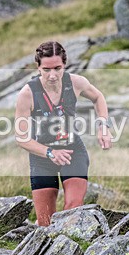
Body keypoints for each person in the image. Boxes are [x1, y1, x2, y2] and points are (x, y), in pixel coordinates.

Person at [14, 41, 113, 226]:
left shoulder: (75, 82)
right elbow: (22, 138)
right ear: (38, 68)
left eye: (57, 68)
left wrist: (103, 126)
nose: (52, 75)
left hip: (72, 152)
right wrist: (50, 152)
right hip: (42, 158)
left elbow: (98, 97)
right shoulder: (27, 94)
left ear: (64, 65)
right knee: (45, 223)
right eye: (46, 69)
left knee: (72, 211)